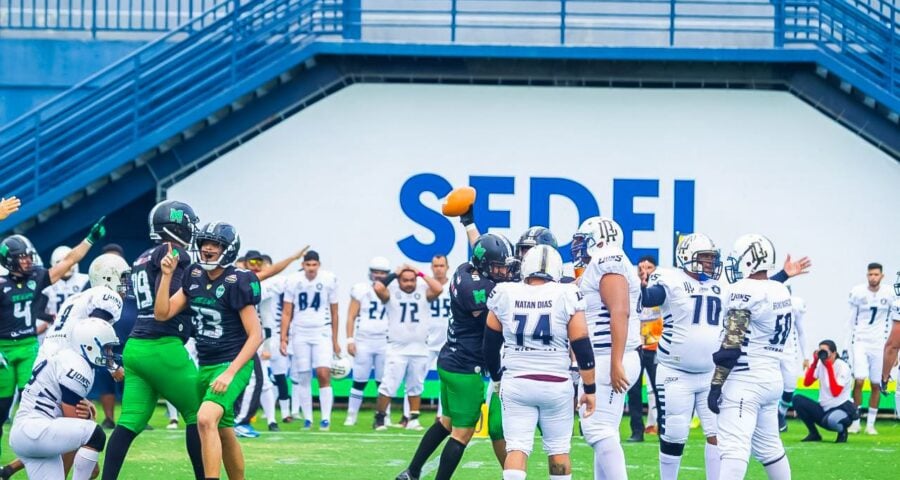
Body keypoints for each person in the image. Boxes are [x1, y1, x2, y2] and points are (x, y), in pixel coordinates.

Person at [396, 233, 516, 480]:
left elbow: (481, 251)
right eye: (497, 267)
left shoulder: (464, 269)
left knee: (446, 422)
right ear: (484, 265)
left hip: (450, 359)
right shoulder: (477, 290)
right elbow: (496, 311)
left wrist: (470, 224)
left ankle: (412, 471)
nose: (503, 271)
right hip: (465, 366)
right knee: (462, 433)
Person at [102, 200, 205, 480]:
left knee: (129, 422)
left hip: (136, 347)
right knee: (200, 415)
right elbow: (169, 302)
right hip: (163, 345)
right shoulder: (175, 253)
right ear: (177, 226)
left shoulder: (141, 257)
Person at [155, 222, 263, 480]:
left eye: (214, 244)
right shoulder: (193, 274)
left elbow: (256, 335)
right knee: (224, 432)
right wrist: (167, 276)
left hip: (232, 362)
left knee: (205, 419)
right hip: (206, 363)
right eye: (204, 243)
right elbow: (163, 313)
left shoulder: (239, 280)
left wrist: (230, 373)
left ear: (228, 248)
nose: (207, 249)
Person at [484, 245, 597, 480]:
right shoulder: (567, 293)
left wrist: (496, 379)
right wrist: (590, 388)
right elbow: (582, 344)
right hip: (556, 383)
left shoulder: (505, 292)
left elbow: (490, 345)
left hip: (517, 381)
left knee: (516, 447)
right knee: (558, 450)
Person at [0, 218, 106, 454]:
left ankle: (44, 449)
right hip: (3, 349)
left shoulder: (36, 277)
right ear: (9, 260)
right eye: (22, 257)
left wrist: (90, 240)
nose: (28, 260)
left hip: (28, 345)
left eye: (29, 255)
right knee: (2, 408)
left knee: (43, 397)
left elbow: (69, 261)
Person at [708, 233, 792, 480]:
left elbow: (732, 344)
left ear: (748, 261)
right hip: (771, 378)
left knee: (733, 448)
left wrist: (716, 384)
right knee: (770, 448)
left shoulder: (744, 290)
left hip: (745, 379)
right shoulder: (779, 289)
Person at [641, 234, 723, 479]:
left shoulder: (721, 283)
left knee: (718, 433)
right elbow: (651, 298)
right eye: (704, 257)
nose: (710, 262)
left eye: (711, 257)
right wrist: (641, 289)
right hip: (676, 370)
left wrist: (782, 275)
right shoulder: (671, 278)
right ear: (687, 256)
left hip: (711, 372)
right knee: (675, 434)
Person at [572, 216, 642, 480]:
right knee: (605, 429)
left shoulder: (608, 258)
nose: (579, 248)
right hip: (608, 354)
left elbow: (619, 311)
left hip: (609, 354)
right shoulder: (602, 265)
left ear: (600, 242)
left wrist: (616, 361)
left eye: (584, 242)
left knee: (595, 428)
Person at [8, 318, 118, 479]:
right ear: (89, 345)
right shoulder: (77, 365)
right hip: (37, 429)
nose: (109, 354)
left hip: (27, 434)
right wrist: (88, 418)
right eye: (106, 348)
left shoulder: (67, 357)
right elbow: (74, 419)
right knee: (95, 433)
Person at [373, 264, 443, 432]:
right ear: (399, 280)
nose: (409, 283)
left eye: (412, 280)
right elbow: (378, 286)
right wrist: (395, 273)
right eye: (405, 280)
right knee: (389, 384)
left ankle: (413, 418)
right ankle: (380, 417)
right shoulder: (392, 294)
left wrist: (419, 273)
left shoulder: (422, 292)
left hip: (419, 348)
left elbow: (438, 288)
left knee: (416, 385)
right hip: (397, 348)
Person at [279, 251, 340, 430]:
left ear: (319, 265)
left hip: (321, 331)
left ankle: (326, 418)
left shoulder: (329, 280)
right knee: (304, 375)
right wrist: (284, 337)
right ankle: (308, 418)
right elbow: (287, 311)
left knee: (323, 373)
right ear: (303, 265)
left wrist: (335, 340)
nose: (311, 268)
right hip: (300, 332)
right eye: (308, 265)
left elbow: (335, 312)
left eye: (314, 265)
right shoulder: (293, 280)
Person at [846, 262, 893, 435]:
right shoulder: (858, 293)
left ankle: (871, 424)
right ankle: (856, 421)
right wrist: (847, 346)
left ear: (882, 276)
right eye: (870, 274)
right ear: (867, 275)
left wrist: (895, 351)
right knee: (858, 380)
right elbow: (850, 321)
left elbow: (895, 320)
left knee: (876, 384)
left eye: (876, 274)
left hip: (879, 343)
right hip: (861, 341)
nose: (873, 277)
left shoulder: (889, 293)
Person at [345, 257, 391, 427]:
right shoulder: (361, 289)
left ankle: (385, 416)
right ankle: (351, 415)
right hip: (364, 339)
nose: (379, 275)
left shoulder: (391, 289)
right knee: (359, 379)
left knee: (383, 382)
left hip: (384, 340)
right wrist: (350, 339)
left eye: (382, 272)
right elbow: (351, 316)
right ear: (370, 273)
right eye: (376, 272)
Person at [626, 254, 662, 443]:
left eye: (648, 268)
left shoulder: (660, 290)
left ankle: (663, 429)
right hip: (638, 346)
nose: (644, 271)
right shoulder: (633, 290)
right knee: (633, 390)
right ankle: (636, 431)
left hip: (656, 346)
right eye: (641, 268)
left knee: (660, 389)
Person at [794, 340, 855, 442]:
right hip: (824, 408)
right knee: (797, 399)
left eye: (825, 352)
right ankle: (814, 434)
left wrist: (829, 368)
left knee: (831, 420)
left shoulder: (842, 367)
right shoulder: (821, 365)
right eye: (820, 351)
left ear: (834, 353)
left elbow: (835, 392)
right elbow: (807, 383)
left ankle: (842, 431)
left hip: (841, 408)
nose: (823, 355)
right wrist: (814, 362)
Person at [778, 286, 808, 432]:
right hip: (768, 351)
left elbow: (801, 332)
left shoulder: (795, 306)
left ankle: (780, 414)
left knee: (789, 387)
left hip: (788, 351)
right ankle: (769, 419)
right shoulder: (766, 304)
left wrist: (806, 356)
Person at [426, 254, 451, 420]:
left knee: (445, 380)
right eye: (436, 266)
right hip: (427, 339)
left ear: (447, 267)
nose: (439, 269)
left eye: (442, 265)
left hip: (447, 339)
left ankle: (441, 414)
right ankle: (408, 415)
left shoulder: (454, 285)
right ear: (431, 267)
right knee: (415, 378)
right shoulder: (425, 286)